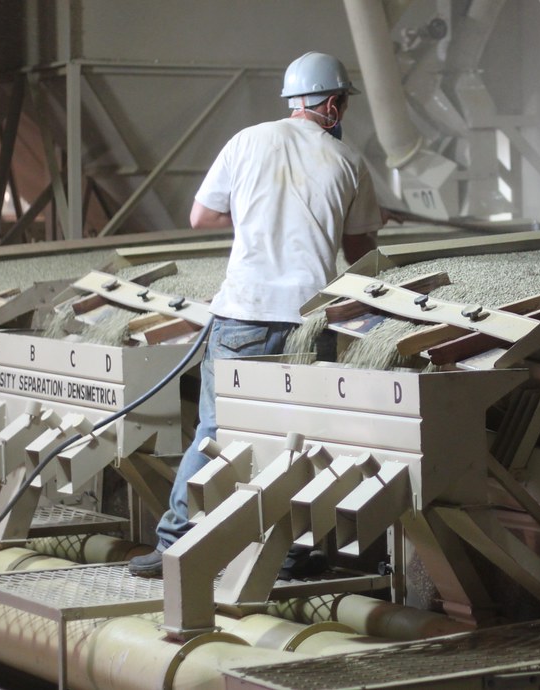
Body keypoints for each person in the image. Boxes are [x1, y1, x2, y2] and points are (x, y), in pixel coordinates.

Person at [129, 51, 383, 577]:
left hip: (241, 313)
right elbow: (361, 252)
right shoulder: (349, 161)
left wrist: (254, 211)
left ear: (294, 100)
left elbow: (201, 216)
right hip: (310, 322)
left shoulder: (246, 141)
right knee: (301, 439)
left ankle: (176, 544)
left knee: (216, 430)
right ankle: (288, 555)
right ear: (333, 104)